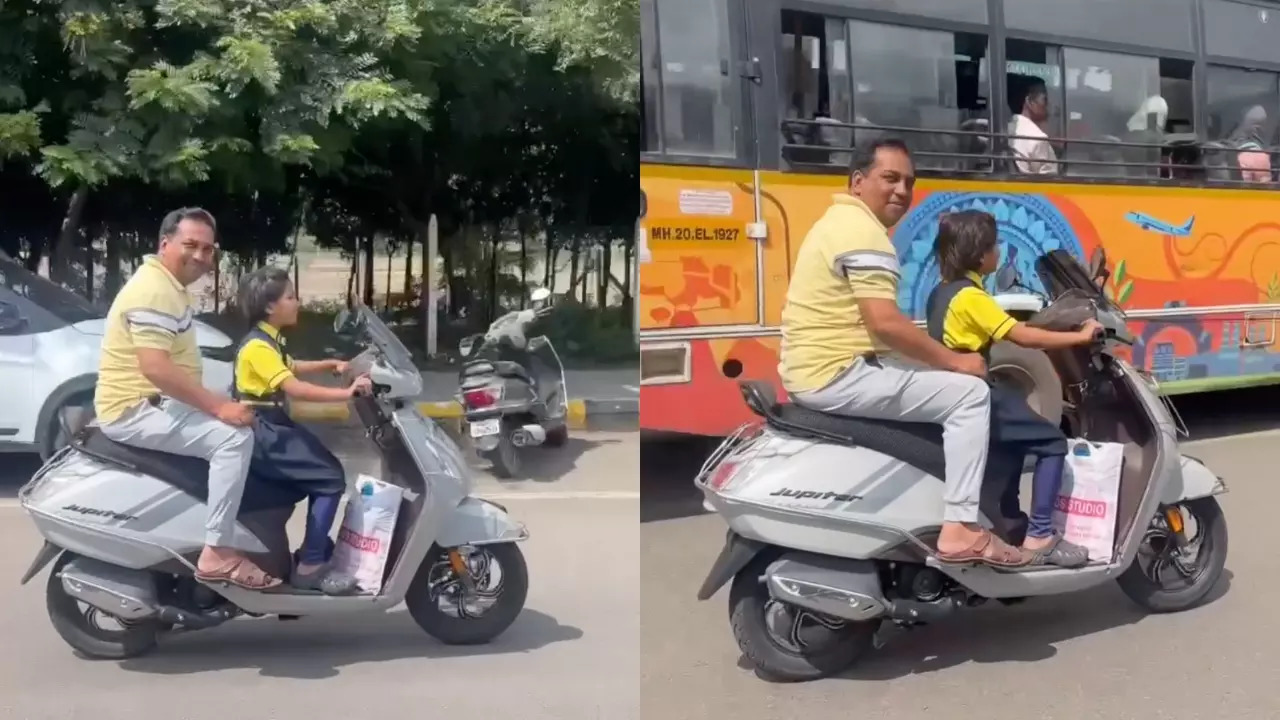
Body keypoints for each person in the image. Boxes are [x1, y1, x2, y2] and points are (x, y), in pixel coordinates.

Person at [778, 137, 1031, 569]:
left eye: (909, 182)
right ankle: (960, 528)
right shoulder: (863, 232)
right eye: (889, 178)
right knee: (970, 395)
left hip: (824, 367)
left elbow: (878, 327)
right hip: (836, 373)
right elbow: (885, 323)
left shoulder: (837, 222)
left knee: (938, 381)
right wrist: (956, 361)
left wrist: (930, 360)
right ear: (858, 182)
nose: (901, 191)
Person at [94, 208, 277, 590]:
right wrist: (219, 407)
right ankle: (216, 552)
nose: (199, 256)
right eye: (190, 245)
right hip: (135, 409)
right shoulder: (155, 291)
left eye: (208, 249)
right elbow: (156, 369)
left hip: (148, 403)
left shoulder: (165, 284)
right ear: (165, 244)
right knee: (233, 439)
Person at [926, 209, 1101, 567]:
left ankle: (1010, 527)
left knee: (1011, 449)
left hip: (952, 389)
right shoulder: (971, 298)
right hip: (974, 391)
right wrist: (1079, 336)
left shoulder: (941, 293)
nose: (999, 251)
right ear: (980, 254)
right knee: (1051, 441)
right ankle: (1041, 536)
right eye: (995, 245)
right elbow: (1020, 335)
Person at [234, 266, 373, 594]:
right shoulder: (257, 347)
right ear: (270, 306)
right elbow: (294, 386)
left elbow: (291, 366)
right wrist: (347, 393)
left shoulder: (268, 339)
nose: (298, 302)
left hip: (272, 424)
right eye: (291, 297)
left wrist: (332, 364)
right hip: (265, 430)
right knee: (329, 478)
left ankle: (314, 547)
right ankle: (311, 563)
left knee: (321, 472)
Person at [1009, 82, 1058, 175]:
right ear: (1029, 102)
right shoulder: (1038, 138)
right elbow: (1049, 180)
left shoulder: (1008, 125)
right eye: (1045, 100)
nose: (1048, 105)